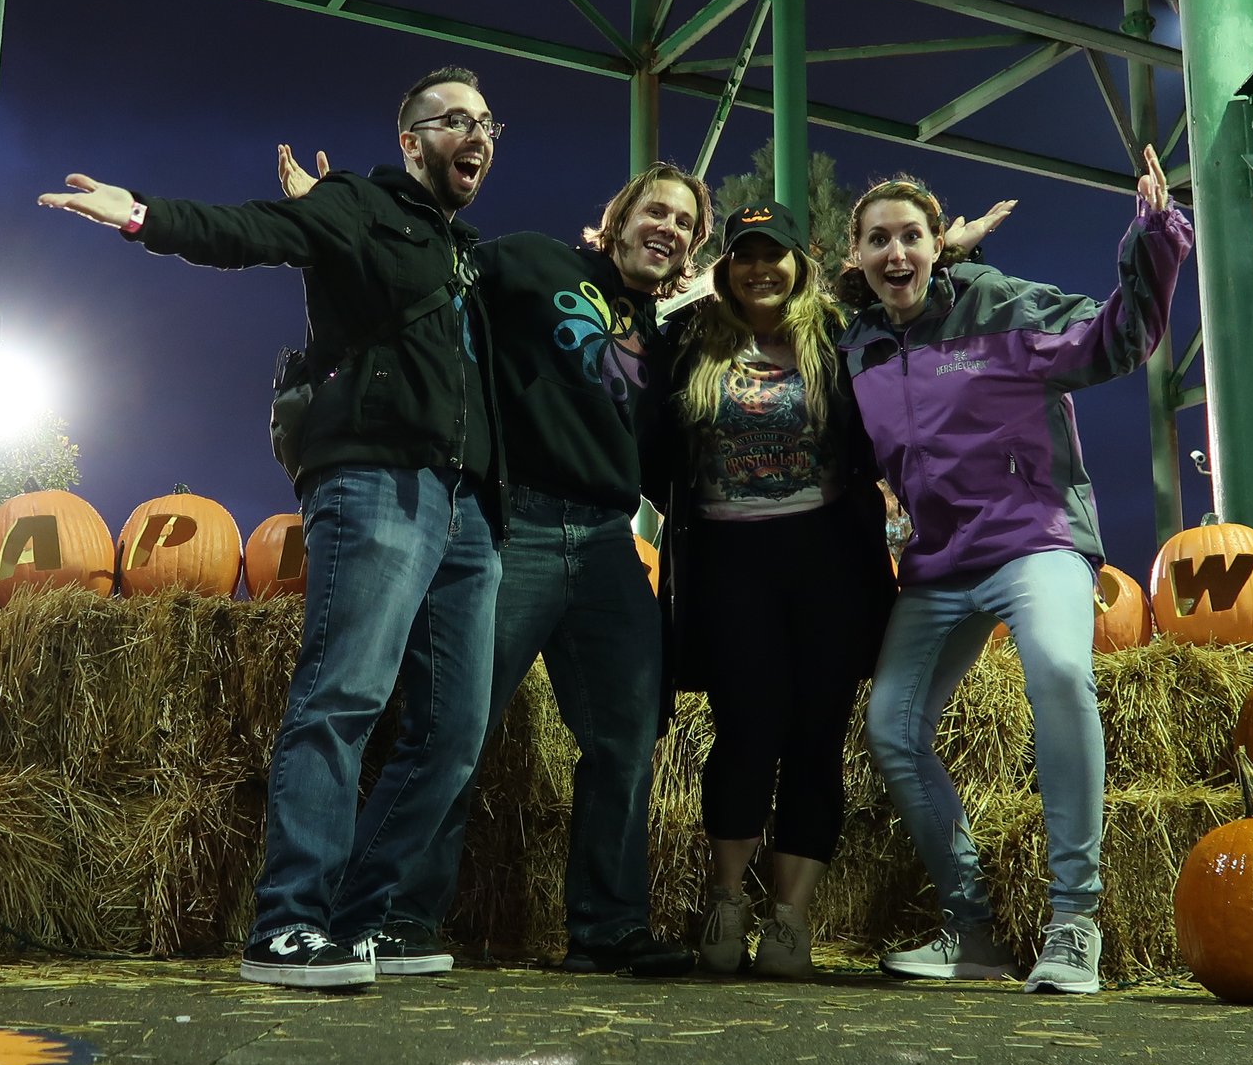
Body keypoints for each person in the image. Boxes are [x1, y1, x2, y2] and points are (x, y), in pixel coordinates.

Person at [36, 65, 503, 991]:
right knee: (342, 700)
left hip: (466, 504)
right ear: (411, 142)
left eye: (488, 122)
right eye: (454, 119)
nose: (476, 133)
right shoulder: (357, 205)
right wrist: (143, 215)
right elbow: (253, 231)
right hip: (377, 480)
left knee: (454, 728)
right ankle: (288, 924)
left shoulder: (466, 254)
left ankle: (361, 918)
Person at [275, 149, 711, 977]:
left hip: (610, 539)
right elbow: (424, 267)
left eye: (685, 222)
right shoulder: (533, 260)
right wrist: (335, 214)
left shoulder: (664, 340)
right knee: (451, 727)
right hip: (518, 522)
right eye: (656, 210)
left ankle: (609, 927)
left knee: (626, 736)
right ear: (616, 221)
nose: (669, 226)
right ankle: (394, 917)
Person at [843, 146, 1190, 994]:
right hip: (936, 562)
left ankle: (1075, 922)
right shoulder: (857, 348)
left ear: (938, 245)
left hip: (1034, 537)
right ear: (856, 256)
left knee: (1061, 669)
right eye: (878, 239)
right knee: (891, 727)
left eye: (912, 236)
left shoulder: (1001, 306)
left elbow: (1119, 337)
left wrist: (1153, 235)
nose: (896, 252)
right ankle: (971, 930)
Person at [658, 202, 896, 979]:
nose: (759, 267)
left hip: (824, 557)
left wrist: (951, 251)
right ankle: (727, 899)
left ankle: (789, 917)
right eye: (745, 255)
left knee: (816, 736)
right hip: (730, 558)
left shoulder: (835, 337)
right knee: (745, 730)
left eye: (774, 254)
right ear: (725, 267)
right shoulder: (692, 340)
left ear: (801, 263)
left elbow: (902, 295)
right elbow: (651, 430)